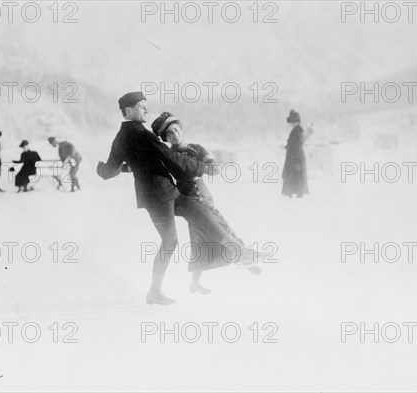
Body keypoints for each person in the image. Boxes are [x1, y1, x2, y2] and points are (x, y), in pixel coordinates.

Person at [97, 92, 251, 306]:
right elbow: (172, 157)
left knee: (198, 213)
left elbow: (110, 171)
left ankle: (238, 252)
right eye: (142, 106)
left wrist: (102, 169)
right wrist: (202, 167)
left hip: (163, 193)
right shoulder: (142, 134)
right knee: (173, 239)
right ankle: (154, 291)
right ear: (128, 111)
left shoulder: (120, 137)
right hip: (159, 197)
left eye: (145, 105)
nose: (146, 110)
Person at [151, 112, 261, 295]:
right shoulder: (168, 155)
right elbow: (151, 168)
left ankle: (239, 262)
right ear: (166, 138)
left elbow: (214, 169)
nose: (175, 135)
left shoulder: (197, 148)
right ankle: (239, 260)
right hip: (187, 199)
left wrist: (198, 166)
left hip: (203, 194)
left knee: (213, 230)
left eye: (176, 130)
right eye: (170, 134)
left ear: (181, 129)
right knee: (205, 235)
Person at [282, 109, 313, 198]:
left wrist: (296, 161)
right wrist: (287, 147)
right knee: (294, 177)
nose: (290, 124)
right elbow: (294, 144)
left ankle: (295, 194)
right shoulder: (297, 131)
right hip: (294, 157)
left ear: (295, 122)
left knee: (295, 177)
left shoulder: (297, 131)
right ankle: (293, 193)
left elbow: (297, 146)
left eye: (291, 122)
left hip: (295, 158)